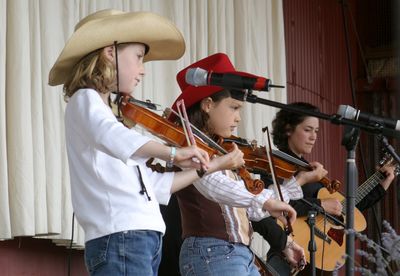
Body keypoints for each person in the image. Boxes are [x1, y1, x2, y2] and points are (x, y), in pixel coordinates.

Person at [48, 10, 245, 276]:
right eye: (139, 57)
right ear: (110, 52)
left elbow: (156, 185)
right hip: (122, 236)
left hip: (140, 238)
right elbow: (116, 138)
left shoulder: (109, 116)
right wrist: (173, 152)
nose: (143, 70)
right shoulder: (85, 99)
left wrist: (214, 164)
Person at [167, 53, 304, 276]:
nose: (238, 118)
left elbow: (245, 208)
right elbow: (214, 186)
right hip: (212, 253)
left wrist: (290, 189)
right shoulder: (190, 146)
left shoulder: (221, 150)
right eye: (234, 108)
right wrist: (266, 201)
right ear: (208, 104)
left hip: (237, 254)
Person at [255, 102, 397, 274]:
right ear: (288, 129)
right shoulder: (275, 165)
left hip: (318, 261)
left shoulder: (310, 170)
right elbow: (271, 203)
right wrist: (320, 204)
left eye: (316, 131)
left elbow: (346, 210)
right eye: (307, 130)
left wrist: (381, 184)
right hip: (287, 258)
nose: (313, 137)